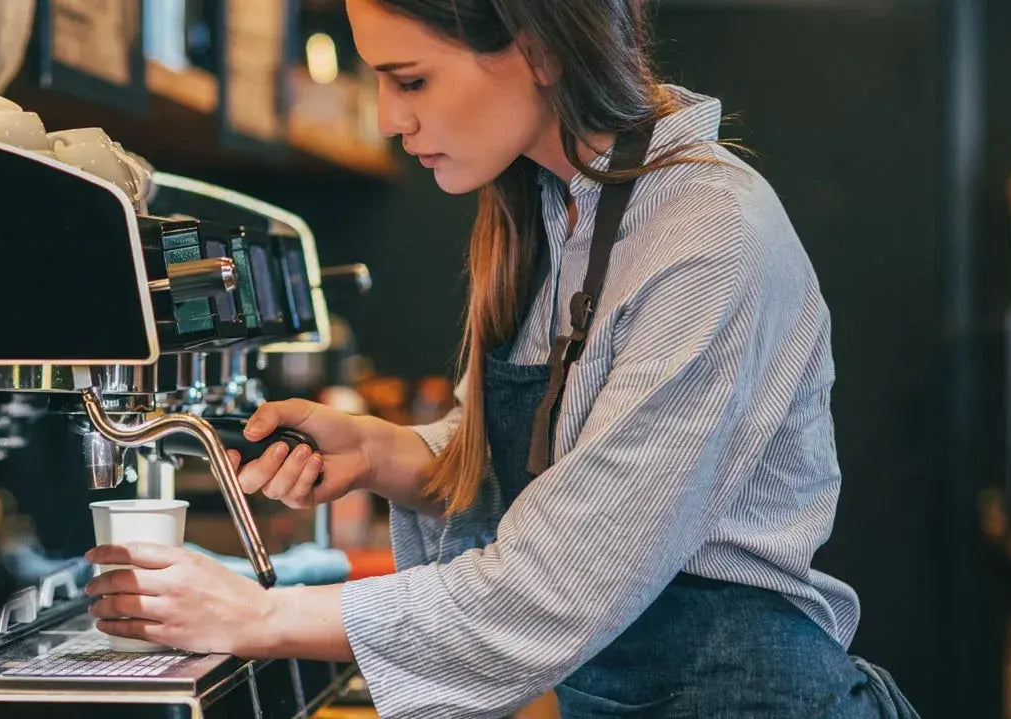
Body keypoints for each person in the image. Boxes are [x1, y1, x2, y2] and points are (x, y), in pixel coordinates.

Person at [83, 1, 922, 717]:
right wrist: (385, 452)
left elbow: (557, 580)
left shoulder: (707, 239)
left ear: (539, 47)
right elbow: (557, 470)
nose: (387, 117)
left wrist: (256, 614)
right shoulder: (553, 210)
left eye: (409, 79)